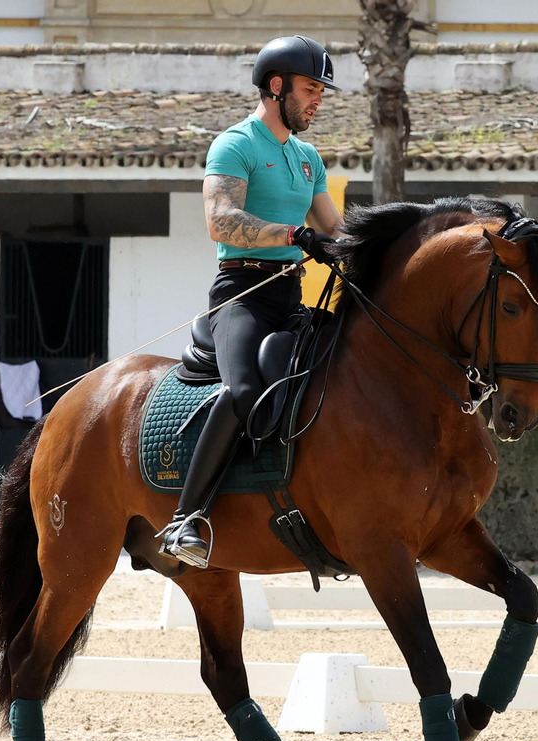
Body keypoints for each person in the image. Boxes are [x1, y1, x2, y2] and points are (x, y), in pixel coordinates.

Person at [159, 35, 346, 568]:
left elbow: (333, 227)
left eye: (322, 92)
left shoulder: (308, 158)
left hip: (290, 295)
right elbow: (221, 220)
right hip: (241, 295)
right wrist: (296, 233)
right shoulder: (235, 145)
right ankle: (185, 520)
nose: (318, 101)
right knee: (244, 390)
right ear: (277, 85)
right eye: (312, 89)